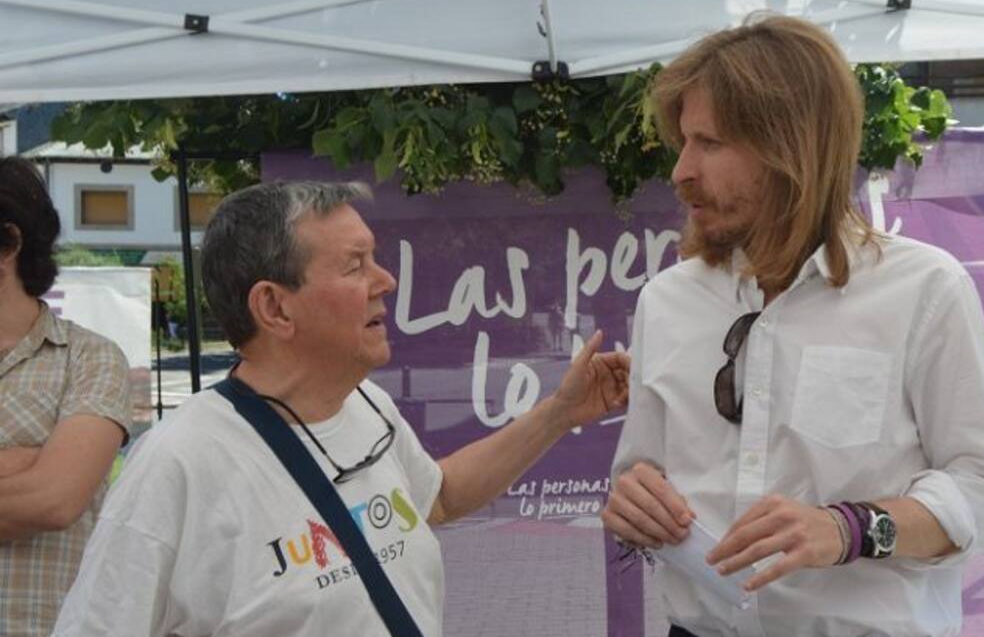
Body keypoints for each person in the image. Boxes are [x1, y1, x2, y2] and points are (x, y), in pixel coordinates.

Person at [601, 15, 984, 637]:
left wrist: (852, 528)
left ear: (790, 147)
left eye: (709, 143)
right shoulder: (666, 301)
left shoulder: (925, 290)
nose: (681, 172)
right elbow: (640, 472)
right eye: (682, 144)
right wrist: (635, 500)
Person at [52, 180, 629, 636]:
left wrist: (559, 412)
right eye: (355, 265)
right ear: (275, 307)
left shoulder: (367, 405)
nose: (386, 279)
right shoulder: (179, 462)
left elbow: (440, 497)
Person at [0, 156, 132, 637]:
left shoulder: (91, 357)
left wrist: (47, 475)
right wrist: (26, 461)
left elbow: (55, 499)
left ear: (9, 243)